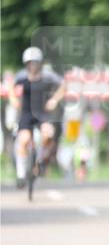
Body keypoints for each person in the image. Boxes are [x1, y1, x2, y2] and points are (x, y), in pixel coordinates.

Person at [10, 47, 65, 188]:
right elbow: (11, 87)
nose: (32, 65)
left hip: (42, 113)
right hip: (26, 113)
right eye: (29, 63)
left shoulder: (47, 75)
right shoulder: (21, 76)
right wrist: (13, 99)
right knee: (24, 140)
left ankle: (40, 160)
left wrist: (54, 100)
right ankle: (21, 175)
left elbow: (63, 85)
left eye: (34, 62)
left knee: (48, 135)